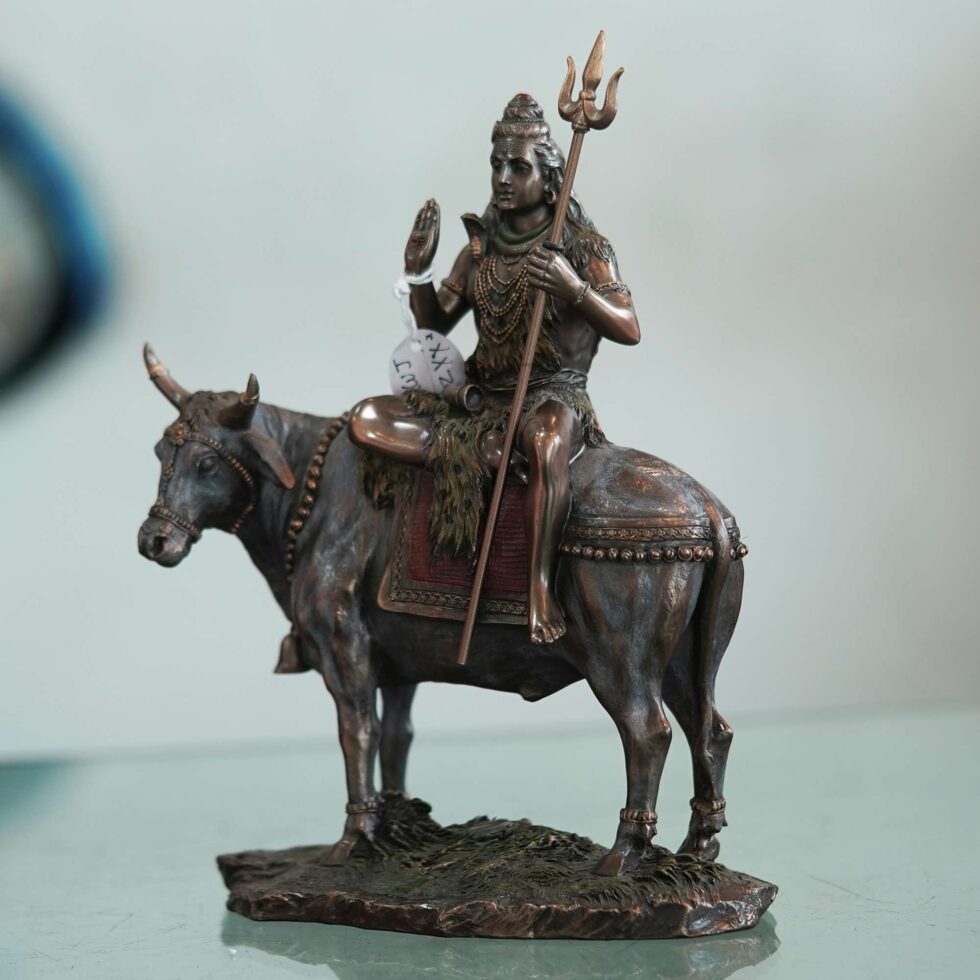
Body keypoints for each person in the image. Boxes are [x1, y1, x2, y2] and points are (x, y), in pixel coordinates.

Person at [349, 93, 640, 645]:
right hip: (480, 399)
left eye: (518, 168)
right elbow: (436, 324)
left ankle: (539, 588)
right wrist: (417, 274)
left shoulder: (582, 247)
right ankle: (485, 451)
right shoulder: (480, 249)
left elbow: (628, 326)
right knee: (366, 419)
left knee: (547, 444)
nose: (503, 179)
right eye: (497, 166)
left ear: (549, 180)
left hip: (552, 396)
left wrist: (575, 289)